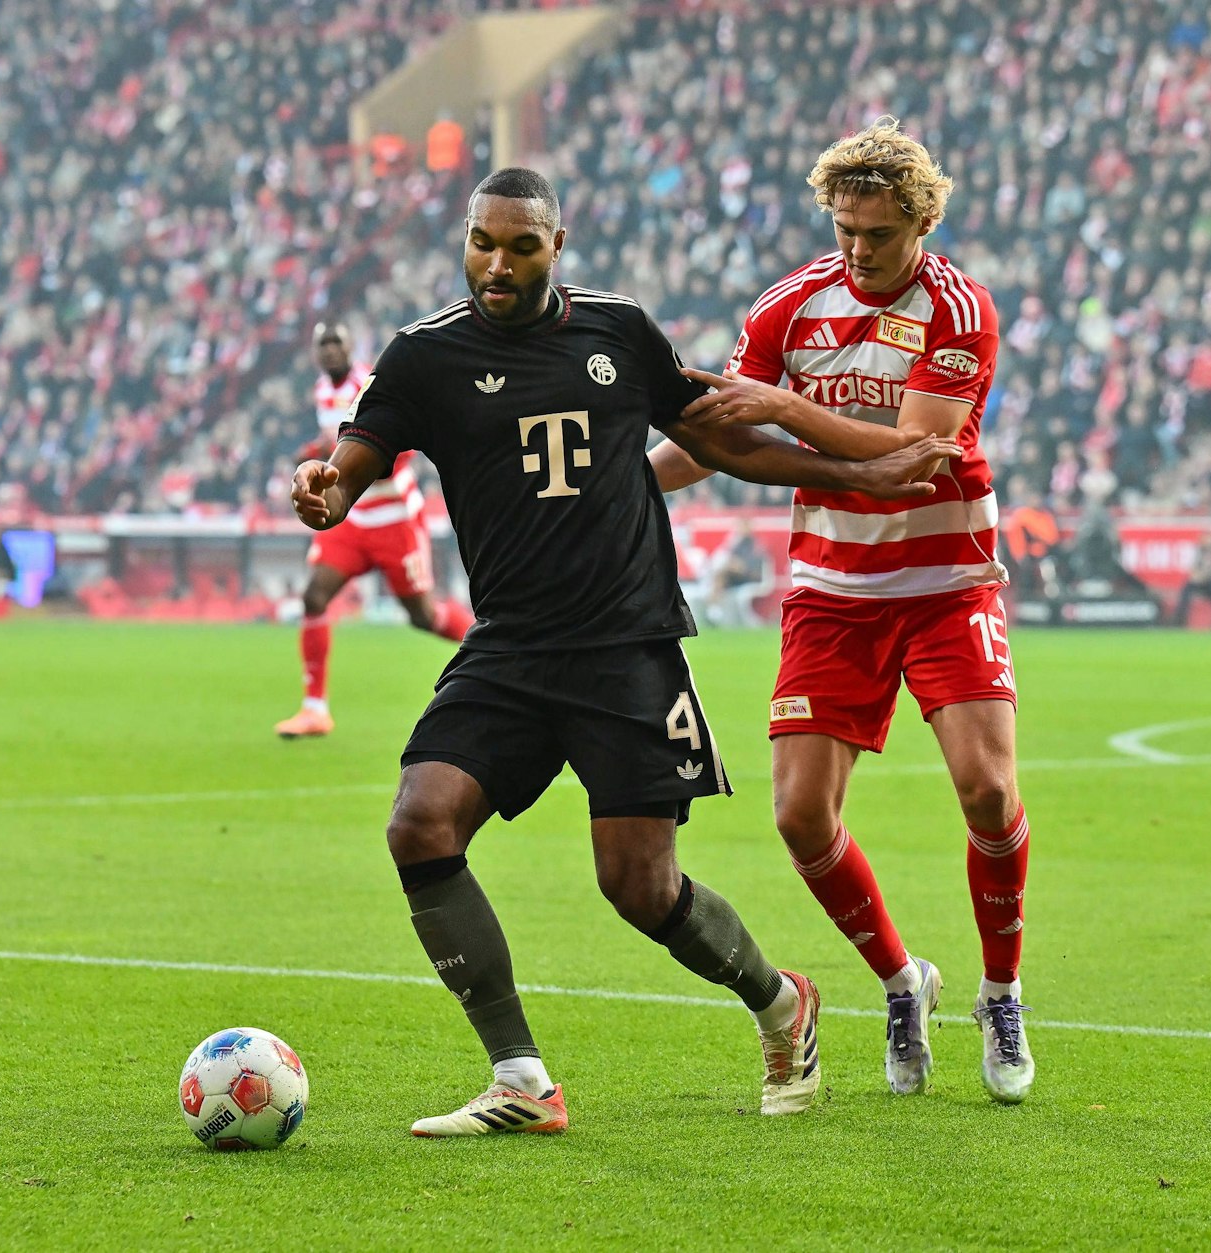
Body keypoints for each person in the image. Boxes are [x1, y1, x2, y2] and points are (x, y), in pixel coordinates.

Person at [291, 167, 957, 1136]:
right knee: (419, 824)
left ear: (555, 247)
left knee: (639, 886)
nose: (497, 264)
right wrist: (326, 489)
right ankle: (522, 1077)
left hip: (625, 643)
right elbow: (354, 460)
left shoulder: (617, 331)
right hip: (510, 648)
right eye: (482, 242)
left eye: (521, 246)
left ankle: (782, 1002)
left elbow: (721, 442)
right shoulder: (424, 355)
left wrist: (865, 471)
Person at [649, 118, 1036, 1103]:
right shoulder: (789, 305)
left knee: (987, 791)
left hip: (944, 579)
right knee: (797, 813)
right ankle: (902, 982)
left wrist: (781, 407)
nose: (858, 250)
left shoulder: (959, 309)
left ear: (921, 222)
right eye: (844, 230)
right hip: (831, 590)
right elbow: (715, 436)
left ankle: (1000, 992)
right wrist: (627, 486)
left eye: (878, 233)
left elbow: (909, 450)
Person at [274, 320, 476, 739]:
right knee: (314, 597)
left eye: (337, 342)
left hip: (394, 518)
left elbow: (399, 450)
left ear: (352, 348)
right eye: (323, 344)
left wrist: (347, 458)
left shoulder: (373, 385)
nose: (330, 350)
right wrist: (317, 452)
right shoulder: (322, 391)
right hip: (352, 517)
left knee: (423, 616)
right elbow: (336, 441)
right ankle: (315, 710)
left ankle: (493, 648)